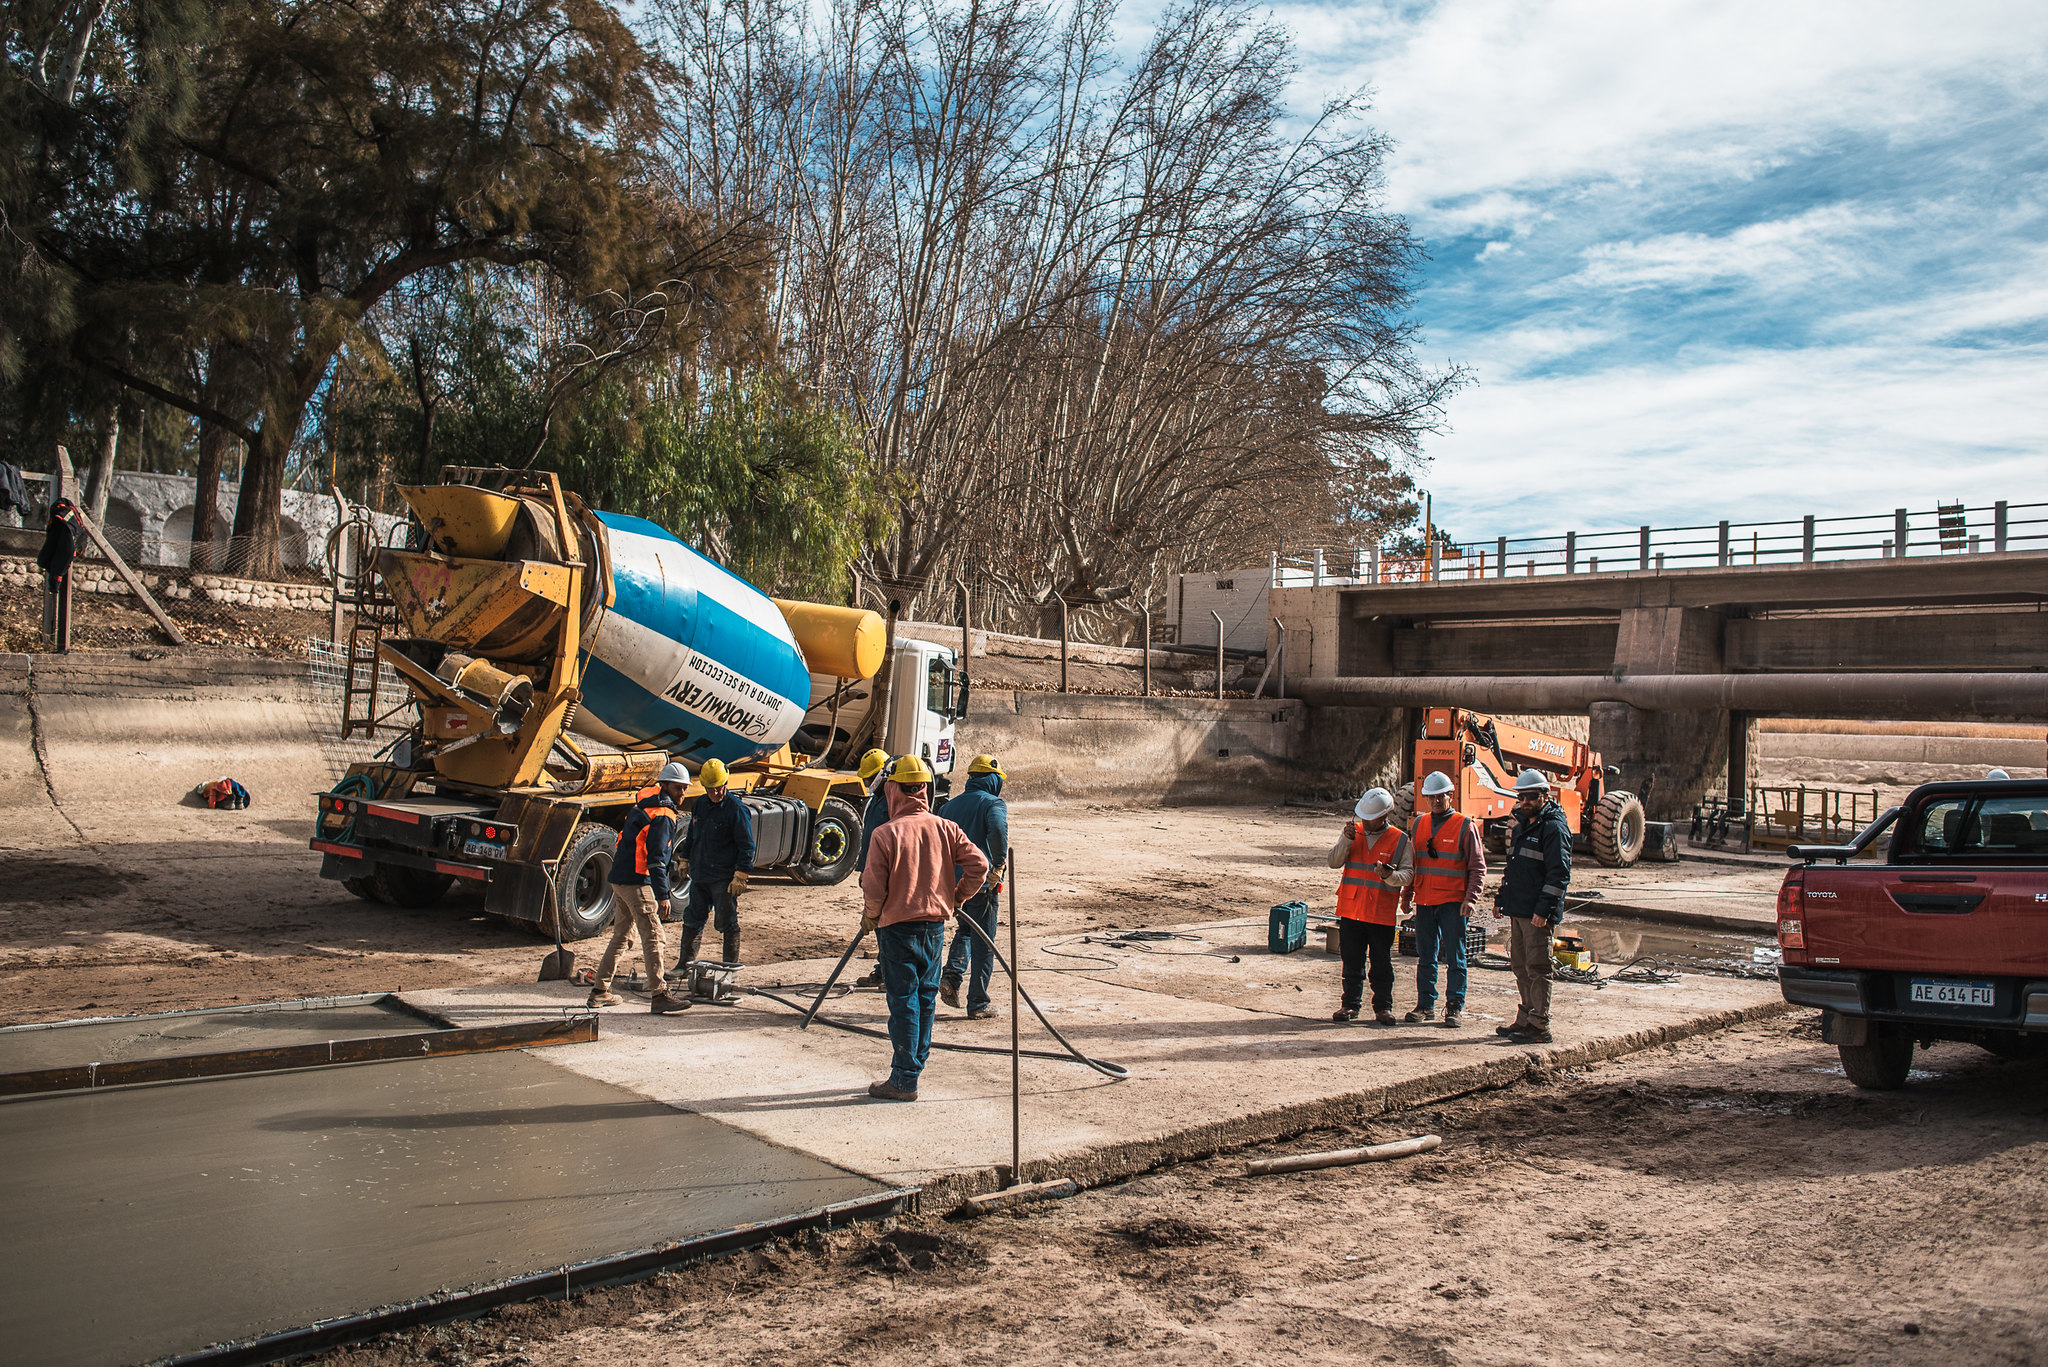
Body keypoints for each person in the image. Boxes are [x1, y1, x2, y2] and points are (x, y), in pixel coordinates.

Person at [858, 754, 989, 1101]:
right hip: (933, 927)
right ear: (925, 790)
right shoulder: (945, 827)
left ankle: (904, 1079)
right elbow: (980, 865)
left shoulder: (884, 834)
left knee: (904, 1001)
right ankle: (915, 1067)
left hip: (897, 929)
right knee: (926, 998)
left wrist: (871, 913)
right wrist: (956, 897)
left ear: (893, 790)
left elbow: (874, 887)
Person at [590, 761, 690, 1014]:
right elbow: (656, 858)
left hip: (620, 878)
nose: (682, 794)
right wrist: (664, 894)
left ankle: (600, 991)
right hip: (636, 880)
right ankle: (659, 995)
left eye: (684, 789)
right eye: (678, 788)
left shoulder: (644, 806)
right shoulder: (664, 815)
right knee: (654, 935)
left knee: (622, 935)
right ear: (665, 786)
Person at [1401, 770, 1488, 1028]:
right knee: (1426, 956)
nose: (1436, 801)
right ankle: (1426, 1005)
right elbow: (1413, 864)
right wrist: (1407, 896)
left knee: (1455, 957)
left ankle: (1454, 1007)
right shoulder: (1419, 824)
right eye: (1431, 797)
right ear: (1426, 798)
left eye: (1441, 796)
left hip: (1452, 903)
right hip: (1426, 902)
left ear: (1450, 795)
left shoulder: (1464, 825)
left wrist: (1470, 898)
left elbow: (1478, 867)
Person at [1495, 769, 1572, 1044]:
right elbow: (1514, 867)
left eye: (1530, 796)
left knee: (1538, 968)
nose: (1525, 801)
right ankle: (1526, 1017)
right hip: (1519, 908)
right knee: (1520, 965)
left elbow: (1559, 875)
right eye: (1521, 796)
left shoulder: (1553, 828)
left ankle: (1539, 1025)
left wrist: (1544, 910)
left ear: (1544, 796)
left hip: (1536, 914)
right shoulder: (1522, 826)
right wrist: (1501, 899)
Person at [1327, 786, 1413, 1025]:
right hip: (1351, 910)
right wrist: (1345, 841)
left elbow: (1408, 875)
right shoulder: (1352, 833)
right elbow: (1333, 862)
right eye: (1362, 817)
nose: (1364, 822)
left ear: (1383, 817)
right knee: (1351, 960)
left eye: (1370, 819)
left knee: (1381, 963)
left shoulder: (1400, 840)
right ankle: (1350, 1005)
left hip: (1380, 914)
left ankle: (1383, 1007)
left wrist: (1389, 876)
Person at [939, 754, 1009, 1018]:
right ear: (992, 779)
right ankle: (978, 1003)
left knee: (967, 930)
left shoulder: (948, 807)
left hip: (953, 886)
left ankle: (952, 977)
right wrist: (998, 865)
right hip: (982, 884)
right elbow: (998, 830)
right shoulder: (993, 803)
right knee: (985, 943)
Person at [674, 757, 754, 974]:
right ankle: (685, 965)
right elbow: (692, 835)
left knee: (726, 922)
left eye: (718, 788)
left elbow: (746, 845)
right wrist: (685, 858)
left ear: (725, 784)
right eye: (710, 789)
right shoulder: (700, 804)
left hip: (723, 878)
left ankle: (729, 968)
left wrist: (741, 875)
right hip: (700, 875)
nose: (715, 793)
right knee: (692, 918)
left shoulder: (736, 810)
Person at [850, 748, 896, 988]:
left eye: (869, 778)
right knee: (879, 926)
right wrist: (863, 871)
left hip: (884, 875)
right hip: (871, 872)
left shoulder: (890, 800)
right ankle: (884, 969)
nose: (867, 782)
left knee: (887, 925)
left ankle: (890, 973)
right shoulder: (877, 800)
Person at [38, 497, 78, 653]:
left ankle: (61, 643)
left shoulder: (64, 524)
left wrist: (57, 575)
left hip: (58, 567)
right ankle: (58, 641)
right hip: (57, 566)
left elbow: (66, 551)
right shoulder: (60, 523)